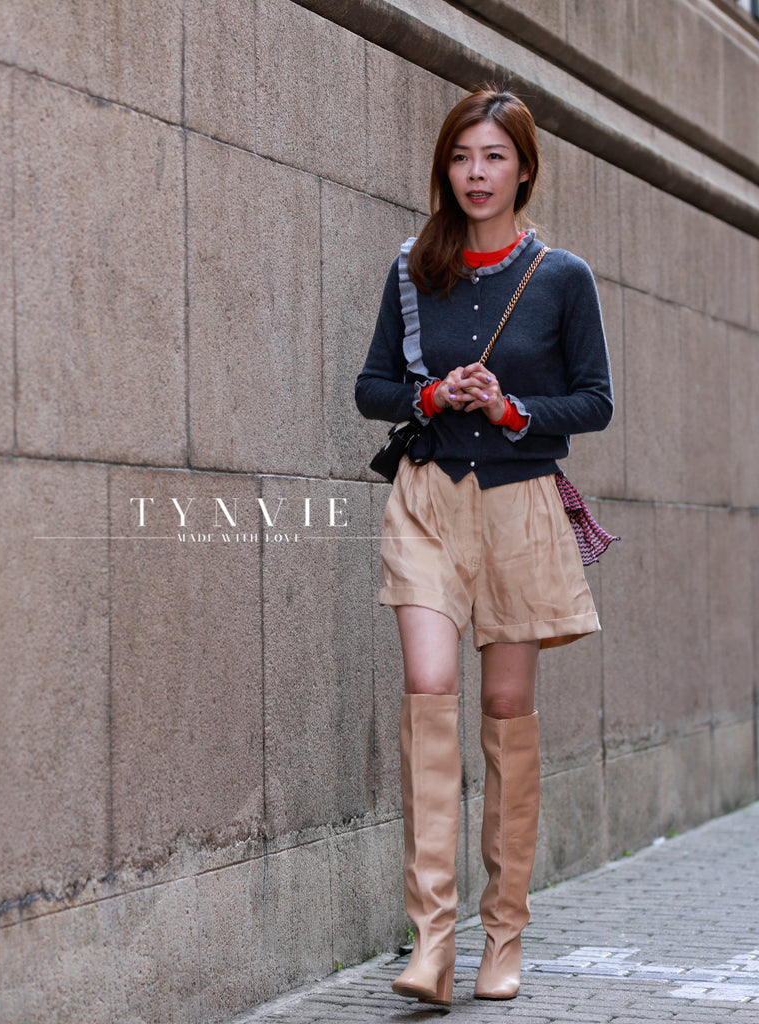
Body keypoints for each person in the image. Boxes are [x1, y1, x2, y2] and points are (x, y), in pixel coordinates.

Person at [355, 87, 613, 1007]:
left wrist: (509, 408)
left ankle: (503, 936)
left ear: (524, 168)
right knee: (429, 688)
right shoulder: (413, 268)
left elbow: (595, 401)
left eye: (494, 156)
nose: (476, 173)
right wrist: (430, 396)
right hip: (429, 500)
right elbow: (372, 387)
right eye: (462, 156)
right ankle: (432, 940)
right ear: (445, 167)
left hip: (519, 508)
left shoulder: (562, 277)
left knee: (505, 706)